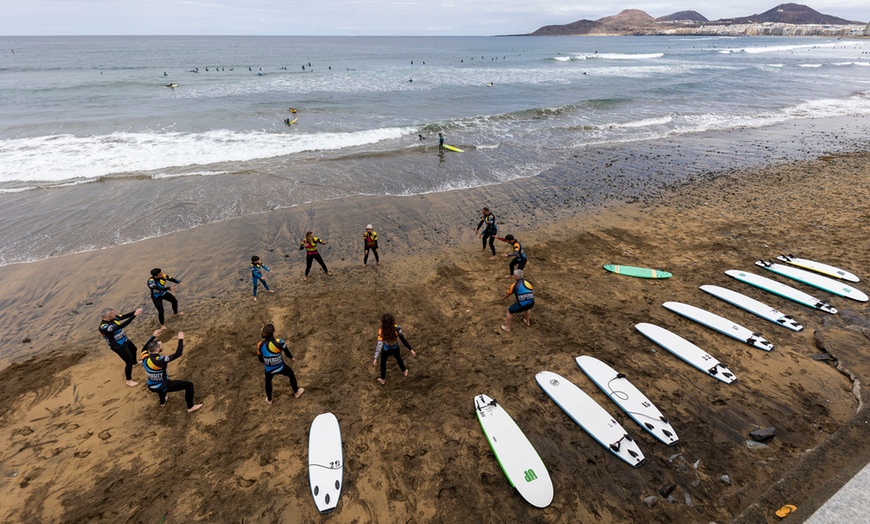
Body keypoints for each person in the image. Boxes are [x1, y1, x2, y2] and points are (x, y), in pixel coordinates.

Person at [141, 331, 202, 412]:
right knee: (189, 385)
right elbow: (178, 354)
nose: (162, 346)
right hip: (163, 385)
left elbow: (144, 348)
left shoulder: (144, 356)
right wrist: (180, 339)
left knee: (160, 388)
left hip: (151, 385)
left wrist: (153, 336)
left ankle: (162, 402)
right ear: (157, 349)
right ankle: (190, 407)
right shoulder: (160, 360)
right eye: (161, 345)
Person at [99, 307, 152, 387]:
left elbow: (124, 316)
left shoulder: (113, 317)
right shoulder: (104, 327)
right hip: (118, 346)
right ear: (107, 316)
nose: (115, 314)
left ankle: (135, 362)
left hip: (124, 340)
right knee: (128, 361)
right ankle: (128, 380)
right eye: (113, 313)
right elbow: (121, 326)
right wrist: (134, 316)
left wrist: (135, 311)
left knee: (134, 349)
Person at [257, 323, 304, 404]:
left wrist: (264, 363)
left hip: (269, 369)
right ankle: (296, 392)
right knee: (291, 374)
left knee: (268, 382)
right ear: (274, 331)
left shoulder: (260, 345)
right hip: (281, 367)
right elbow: (287, 352)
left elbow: (260, 358)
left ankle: (269, 399)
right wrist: (292, 358)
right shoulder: (280, 342)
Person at [372, 313, 416, 385]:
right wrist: (411, 349)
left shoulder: (381, 331)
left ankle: (383, 379)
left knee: (383, 363)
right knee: (398, 358)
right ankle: (404, 371)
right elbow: (403, 339)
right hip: (395, 347)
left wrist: (375, 358)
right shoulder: (397, 328)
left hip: (386, 349)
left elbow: (379, 345)